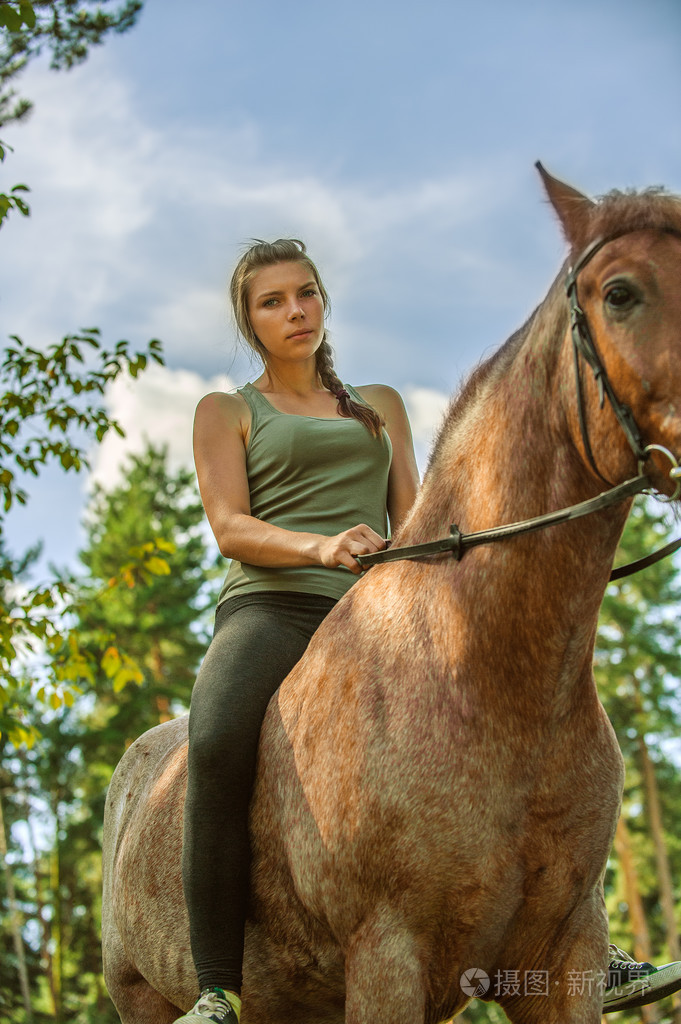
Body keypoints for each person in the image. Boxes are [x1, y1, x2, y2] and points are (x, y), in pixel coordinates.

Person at [176, 239, 681, 1024]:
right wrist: (322, 546)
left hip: (379, 614)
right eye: (272, 302)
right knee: (212, 739)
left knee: (550, 728)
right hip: (275, 609)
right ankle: (216, 986)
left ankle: (586, 944)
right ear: (250, 323)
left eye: (304, 293)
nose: (295, 311)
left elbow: (419, 512)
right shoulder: (228, 410)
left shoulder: (379, 404)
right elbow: (229, 526)